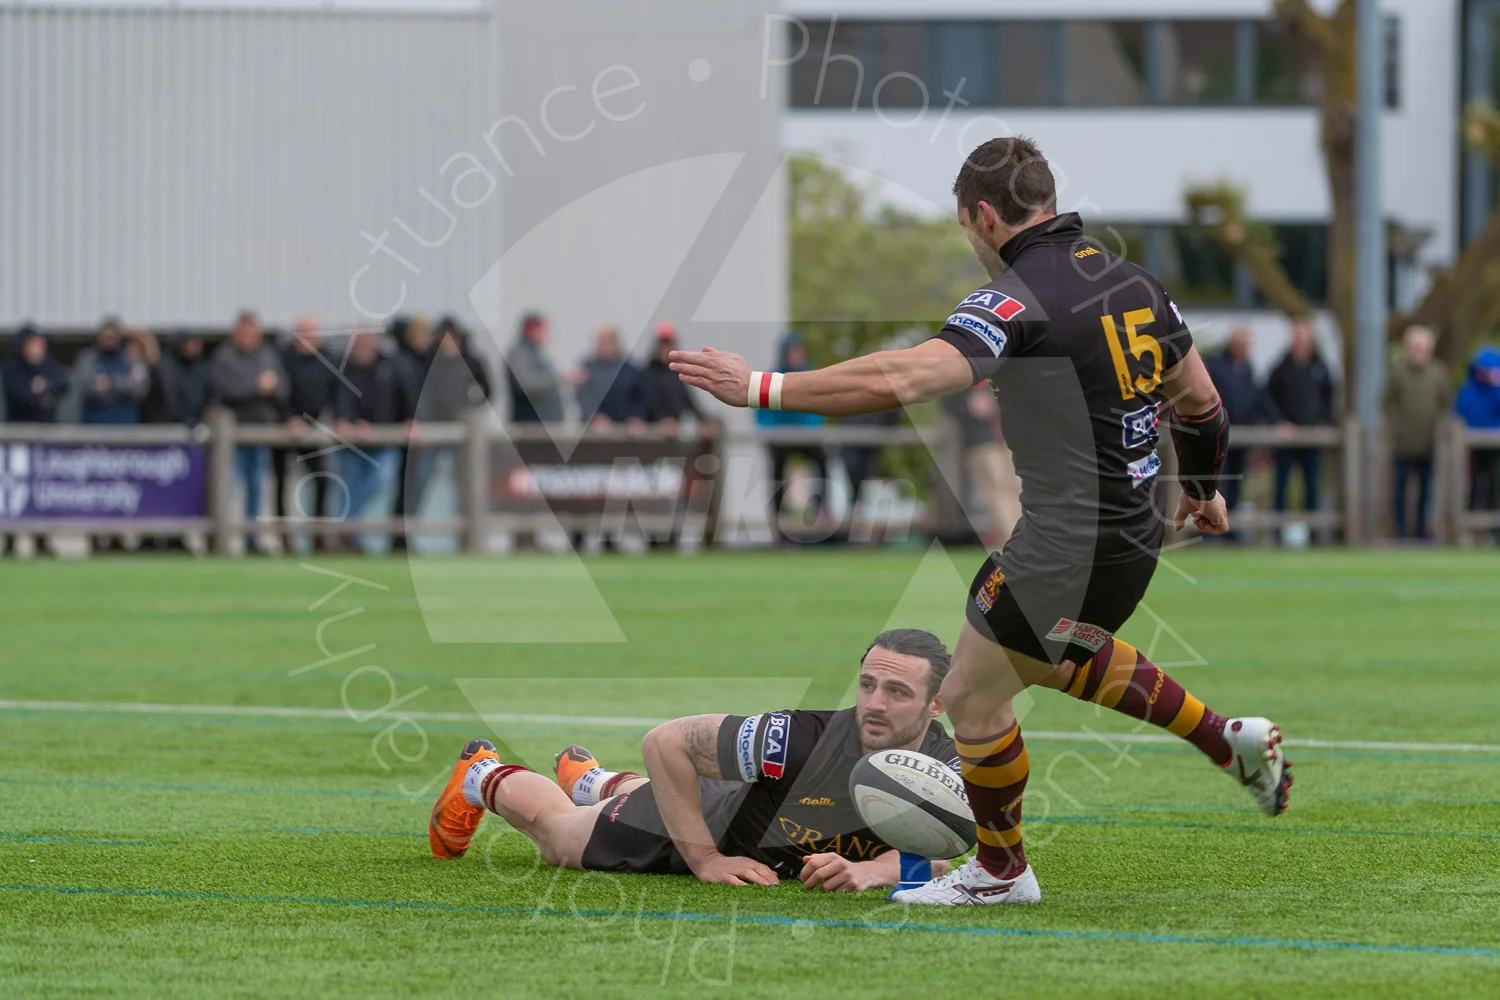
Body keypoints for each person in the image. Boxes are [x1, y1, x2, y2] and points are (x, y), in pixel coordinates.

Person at [669, 135, 1289, 906]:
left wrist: (762, 386)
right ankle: (1222, 737)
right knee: (1049, 657)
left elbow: (907, 376)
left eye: (966, 226)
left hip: (1065, 544)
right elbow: (1201, 402)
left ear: (984, 216)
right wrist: (1201, 486)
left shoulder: (1013, 298)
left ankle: (1000, 872)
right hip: (1134, 536)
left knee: (970, 697)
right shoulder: (1138, 285)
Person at [429, 628, 964, 890]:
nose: (874, 703)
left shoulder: (952, 769)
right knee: (559, 838)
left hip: (739, 806)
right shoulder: (797, 739)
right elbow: (666, 743)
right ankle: (480, 774)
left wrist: (871, 871)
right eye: (868, 684)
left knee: (635, 794)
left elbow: (939, 852)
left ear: (936, 704)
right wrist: (706, 859)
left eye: (897, 691)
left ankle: (597, 781)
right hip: (705, 822)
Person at [209, 311, 289, 553]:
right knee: (228, 487)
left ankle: (252, 538)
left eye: (251, 333)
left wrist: (271, 387)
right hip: (233, 436)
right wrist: (257, 388)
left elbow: (283, 388)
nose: (247, 337)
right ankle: (223, 537)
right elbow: (225, 391)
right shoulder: (224, 357)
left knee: (257, 487)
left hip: (261, 431)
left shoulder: (268, 355)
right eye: (243, 333)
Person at [332, 330, 406, 552]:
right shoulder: (344, 368)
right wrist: (349, 421)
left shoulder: (390, 368)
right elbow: (340, 401)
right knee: (348, 489)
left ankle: (346, 525)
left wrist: (408, 419)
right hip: (351, 445)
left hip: (383, 440)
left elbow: (400, 397)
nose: (362, 348)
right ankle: (350, 540)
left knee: (380, 479)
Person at [409, 317, 492, 512]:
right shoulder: (427, 359)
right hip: (433, 429)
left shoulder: (471, 361)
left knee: (463, 479)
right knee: (422, 478)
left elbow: (488, 389)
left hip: (460, 430)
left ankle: (468, 521)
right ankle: (411, 522)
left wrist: (471, 409)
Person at [1204, 328, 1280, 524]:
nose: (1247, 349)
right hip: (1218, 437)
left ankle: (1230, 526)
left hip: (1241, 437)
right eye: (1244, 345)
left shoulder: (1248, 369)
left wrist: (1277, 421)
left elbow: (1260, 398)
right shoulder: (1215, 365)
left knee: (1236, 482)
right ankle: (1211, 525)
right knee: (1216, 482)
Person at [759, 332, 828, 543]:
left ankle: (820, 511)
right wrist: (771, 433)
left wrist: (811, 431)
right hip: (781, 437)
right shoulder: (773, 377)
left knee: (823, 461)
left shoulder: (810, 374)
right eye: (791, 351)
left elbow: (819, 408)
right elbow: (763, 413)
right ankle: (780, 527)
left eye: (797, 351)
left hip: (805, 436)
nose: (794, 355)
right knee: (777, 476)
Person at [1383, 326, 1451, 540]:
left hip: (1428, 443)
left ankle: (1422, 533)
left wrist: (1438, 430)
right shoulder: (1397, 372)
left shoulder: (1439, 374)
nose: (1419, 351)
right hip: (1403, 443)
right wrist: (1397, 427)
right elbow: (1387, 403)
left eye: (1422, 347)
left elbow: (1445, 404)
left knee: (1425, 491)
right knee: (1400, 490)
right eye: (1415, 347)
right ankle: (1400, 533)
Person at [276, 318, 336, 548]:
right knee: (280, 482)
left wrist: (336, 419)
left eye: (311, 334)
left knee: (322, 479)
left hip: (312, 431)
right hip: (284, 430)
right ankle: (284, 538)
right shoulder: (283, 359)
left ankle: (317, 536)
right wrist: (289, 418)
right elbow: (280, 393)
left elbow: (335, 394)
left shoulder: (327, 360)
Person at [940, 383, 1021, 548]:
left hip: (1012, 439)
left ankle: (1027, 541)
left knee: (1020, 489)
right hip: (981, 442)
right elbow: (948, 399)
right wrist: (969, 403)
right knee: (998, 491)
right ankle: (1017, 542)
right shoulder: (959, 377)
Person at [1267, 320, 1335, 517]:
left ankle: (1313, 530)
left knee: (1312, 484)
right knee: (1281, 485)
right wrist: (1279, 421)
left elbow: (1329, 398)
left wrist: (1324, 421)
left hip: (1312, 437)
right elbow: (1268, 399)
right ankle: (1277, 529)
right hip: (1286, 438)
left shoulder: (1321, 368)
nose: (1301, 343)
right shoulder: (1281, 369)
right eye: (1298, 338)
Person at [69, 319, 150, 424]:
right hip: (94, 421)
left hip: (125, 422)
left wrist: (111, 383)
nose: (109, 341)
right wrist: (123, 384)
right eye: (105, 337)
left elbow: (140, 389)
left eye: (112, 337)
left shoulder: (131, 359)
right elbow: (83, 386)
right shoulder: (88, 359)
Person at [1454, 345, 1500, 522]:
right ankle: (1470, 523)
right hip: (1471, 447)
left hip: (1494, 447)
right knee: (1473, 484)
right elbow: (1459, 415)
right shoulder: (1467, 391)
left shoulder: (1496, 390)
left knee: (1494, 484)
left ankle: (1493, 526)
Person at [574, 325, 645, 431]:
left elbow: (639, 397)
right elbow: (582, 395)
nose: (604, 346)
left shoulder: (629, 369)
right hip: (594, 430)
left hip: (624, 430)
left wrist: (635, 417)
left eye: (606, 342)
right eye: (601, 342)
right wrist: (594, 415)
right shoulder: (587, 368)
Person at [641, 321, 705, 432]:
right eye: (663, 345)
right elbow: (644, 403)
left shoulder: (678, 373)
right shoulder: (646, 373)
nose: (666, 349)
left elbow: (690, 402)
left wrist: (704, 420)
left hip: (673, 431)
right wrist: (661, 419)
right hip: (651, 431)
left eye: (669, 345)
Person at [504, 312, 563, 424]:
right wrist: (559, 378)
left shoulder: (536, 354)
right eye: (542, 330)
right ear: (531, 330)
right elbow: (527, 384)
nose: (545, 335)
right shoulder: (518, 353)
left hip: (544, 424)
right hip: (529, 425)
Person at [2, 325, 69, 423]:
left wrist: (46, 385)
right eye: (33, 345)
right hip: (20, 425)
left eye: (39, 345)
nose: (37, 349)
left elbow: (63, 383)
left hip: (47, 425)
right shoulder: (12, 368)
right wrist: (34, 389)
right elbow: (18, 395)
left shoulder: (49, 365)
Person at [126, 328, 180, 424]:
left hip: (155, 422)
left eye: (134, 346)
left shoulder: (157, 370)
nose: (129, 350)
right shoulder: (133, 368)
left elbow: (168, 400)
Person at [160, 332, 211, 426]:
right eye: (191, 343)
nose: (194, 347)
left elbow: (210, 394)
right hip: (171, 423)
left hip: (198, 421)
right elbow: (169, 397)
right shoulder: (167, 367)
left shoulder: (202, 367)